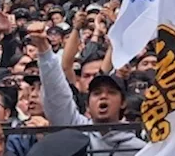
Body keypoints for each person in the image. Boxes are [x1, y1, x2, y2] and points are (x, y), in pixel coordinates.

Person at [26, 22, 145, 154]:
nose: (103, 96)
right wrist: (44, 50)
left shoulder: (140, 149)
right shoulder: (77, 132)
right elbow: (58, 96)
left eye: (111, 92)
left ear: (123, 102)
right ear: (88, 105)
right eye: (96, 93)